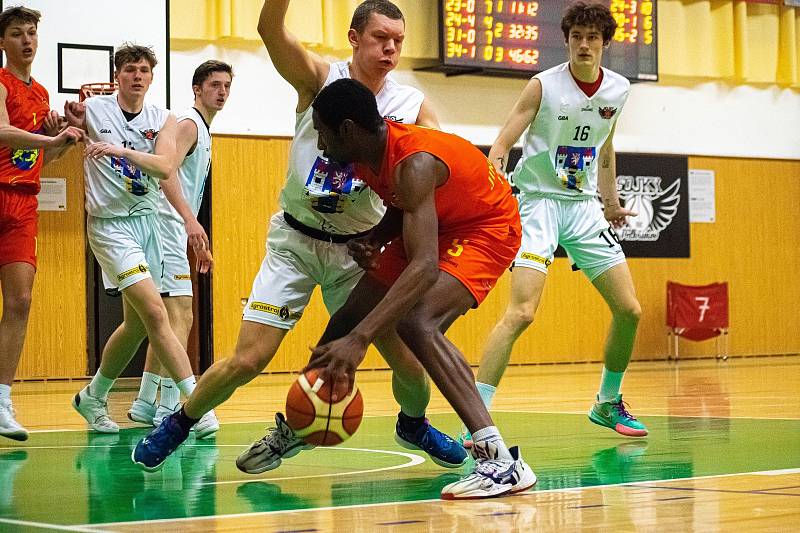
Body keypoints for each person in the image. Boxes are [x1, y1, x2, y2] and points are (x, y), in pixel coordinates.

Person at [131, 0, 465, 473]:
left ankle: (413, 424)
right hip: (296, 243)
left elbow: (437, 171)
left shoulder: (411, 106)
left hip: (359, 252)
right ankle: (179, 423)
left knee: (410, 363)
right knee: (248, 358)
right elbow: (270, 28)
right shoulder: (318, 79)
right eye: (379, 37)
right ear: (353, 37)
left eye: (398, 41)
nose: (390, 48)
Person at [305, 78, 536, 499]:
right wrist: (377, 236)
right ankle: (298, 420)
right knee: (350, 313)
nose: (319, 144)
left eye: (321, 131)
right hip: (445, 220)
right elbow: (408, 203)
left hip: (488, 226)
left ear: (348, 129)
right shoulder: (366, 154)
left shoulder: (413, 161)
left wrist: (361, 341)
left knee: (418, 323)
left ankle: (500, 461)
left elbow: (425, 266)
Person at [459, 1, 647, 448]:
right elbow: (502, 143)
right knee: (521, 312)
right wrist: (497, 174)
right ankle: (476, 419)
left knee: (630, 310)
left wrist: (611, 200)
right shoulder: (543, 85)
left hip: (583, 207)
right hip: (537, 204)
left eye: (592, 37)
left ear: (604, 43)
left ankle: (607, 400)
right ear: (567, 41)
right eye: (576, 37)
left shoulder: (618, 90)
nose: (584, 44)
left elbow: (605, 148)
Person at [67, 44, 216, 437]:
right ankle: (193, 405)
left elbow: (165, 166)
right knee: (156, 312)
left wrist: (118, 151)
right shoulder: (95, 110)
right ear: (118, 75)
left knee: (135, 325)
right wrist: (63, 123)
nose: (138, 75)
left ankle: (93, 396)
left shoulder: (163, 119)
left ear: (152, 77)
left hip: (148, 222)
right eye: (131, 69)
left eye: (145, 70)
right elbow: (67, 127)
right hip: (111, 226)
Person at [126, 60, 232, 430]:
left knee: (170, 317)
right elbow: (166, 172)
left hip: (173, 224)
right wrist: (190, 221)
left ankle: (145, 402)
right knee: (181, 312)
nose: (221, 91)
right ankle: (171, 403)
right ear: (197, 89)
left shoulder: (203, 128)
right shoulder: (188, 124)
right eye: (214, 85)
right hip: (166, 223)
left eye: (226, 86)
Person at [0, 5, 83, 441]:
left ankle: (0, 400)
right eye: (17, 34)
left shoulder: (43, 96)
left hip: (23, 203)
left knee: (20, 301)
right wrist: (49, 137)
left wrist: (63, 141)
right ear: (3, 42)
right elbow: (0, 131)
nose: (27, 41)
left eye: (31, 33)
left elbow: (38, 157)